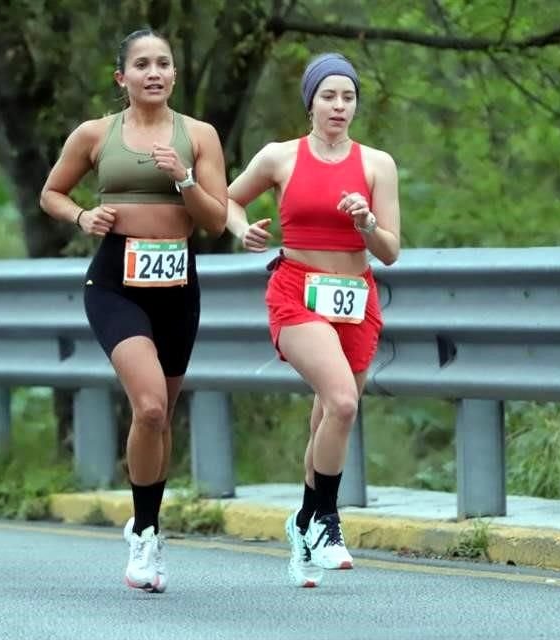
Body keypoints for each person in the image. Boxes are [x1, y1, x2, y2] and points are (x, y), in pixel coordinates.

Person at [39, 28, 227, 593]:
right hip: (114, 281)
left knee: (163, 417)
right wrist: (81, 218)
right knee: (148, 409)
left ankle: (147, 520)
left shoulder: (199, 136)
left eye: (163, 64)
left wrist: (183, 178)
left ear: (173, 75)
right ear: (122, 77)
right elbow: (52, 192)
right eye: (141, 64)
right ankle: (145, 535)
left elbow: (216, 220)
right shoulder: (97, 134)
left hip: (177, 283)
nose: (154, 72)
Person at [226, 52, 401, 588]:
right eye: (329, 95)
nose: (339, 106)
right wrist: (241, 230)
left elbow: (390, 250)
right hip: (296, 293)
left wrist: (367, 222)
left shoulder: (377, 164)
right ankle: (325, 521)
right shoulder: (281, 157)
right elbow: (227, 200)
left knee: (330, 409)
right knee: (344, 400)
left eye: (348, 97)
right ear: (311, 102)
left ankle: (302, 522)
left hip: (355, 296)